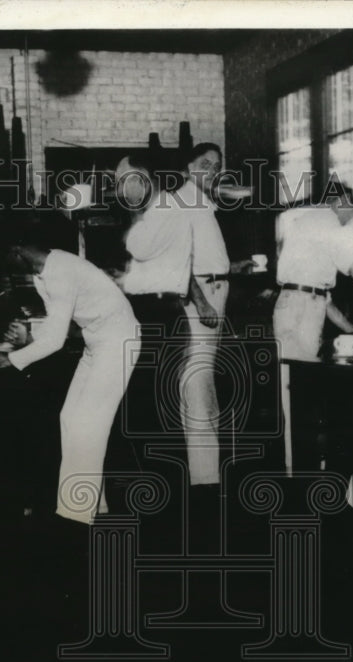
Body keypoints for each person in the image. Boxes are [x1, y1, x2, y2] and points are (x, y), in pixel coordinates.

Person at [0, 233, 141, 526]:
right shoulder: (45, 270)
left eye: (7, 260)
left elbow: (55, 341)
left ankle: (77, 513)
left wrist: (11, 360)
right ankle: (94, 505)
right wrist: (18, 345)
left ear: (17, 249)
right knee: (70, 417)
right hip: (98, 342)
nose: (8, 270)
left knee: (89, 424)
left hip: (119, 343)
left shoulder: (60, 271)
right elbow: (56, 328)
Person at [113, 154, 215, 514]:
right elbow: (147, 268)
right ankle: (161, 491)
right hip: (155, 311)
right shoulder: (161, 210)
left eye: (124, 179)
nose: (120, 188)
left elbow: (136, 247)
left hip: (159, 314)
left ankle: (166, 496)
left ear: (144, 178)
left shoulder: (164, 210)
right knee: (148, 402)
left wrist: (133, 212)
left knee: (153, 404)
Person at [174, 143, 256, 489]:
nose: (212, 171)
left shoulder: (203, 205)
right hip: (201, 300)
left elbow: (203, 259)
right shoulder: (183, 203)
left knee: (201, 377)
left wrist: (232, 267)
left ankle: (204, 470)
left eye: (217, 166)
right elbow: (179, 262)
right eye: (205, 164)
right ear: (187, 169)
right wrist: (202, 303)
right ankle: (204, 475)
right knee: (197, 380)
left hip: (213, 294)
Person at [273, 183, 353, 362]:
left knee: (291, 374)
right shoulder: (329, 222)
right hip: (302, 307)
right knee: (301, 372)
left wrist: (352, 330)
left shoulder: (312, 221)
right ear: (342, 200)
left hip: (294, 302)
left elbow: (320, 297)